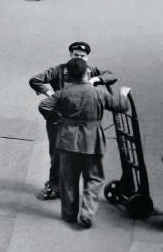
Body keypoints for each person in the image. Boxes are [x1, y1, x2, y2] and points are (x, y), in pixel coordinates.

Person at [38, 58, 131, 228]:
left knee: (68, 180)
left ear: (69, 76)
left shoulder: (62, 93)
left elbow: (44, 105)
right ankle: (87, 213)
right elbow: (121, 106)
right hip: (92, 141)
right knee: (94, 178)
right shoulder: (98, 94)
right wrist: (123, 94)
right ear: (86, 73)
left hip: (67, 141)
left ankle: (69, 215)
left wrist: (59, 120)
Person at [29, 42, 112, 201]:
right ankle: (54, 186)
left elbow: (111, 75)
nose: (79, 58)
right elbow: (35, 80)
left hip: (79, 123)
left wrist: (96, 79)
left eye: (82, 56)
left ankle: (63, 185)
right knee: (57, 154)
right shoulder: (59, 70)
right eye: (76, 55)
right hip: (58, 121)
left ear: (87, 57)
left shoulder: (90, 71)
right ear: (70, 55)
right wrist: (49, 93)